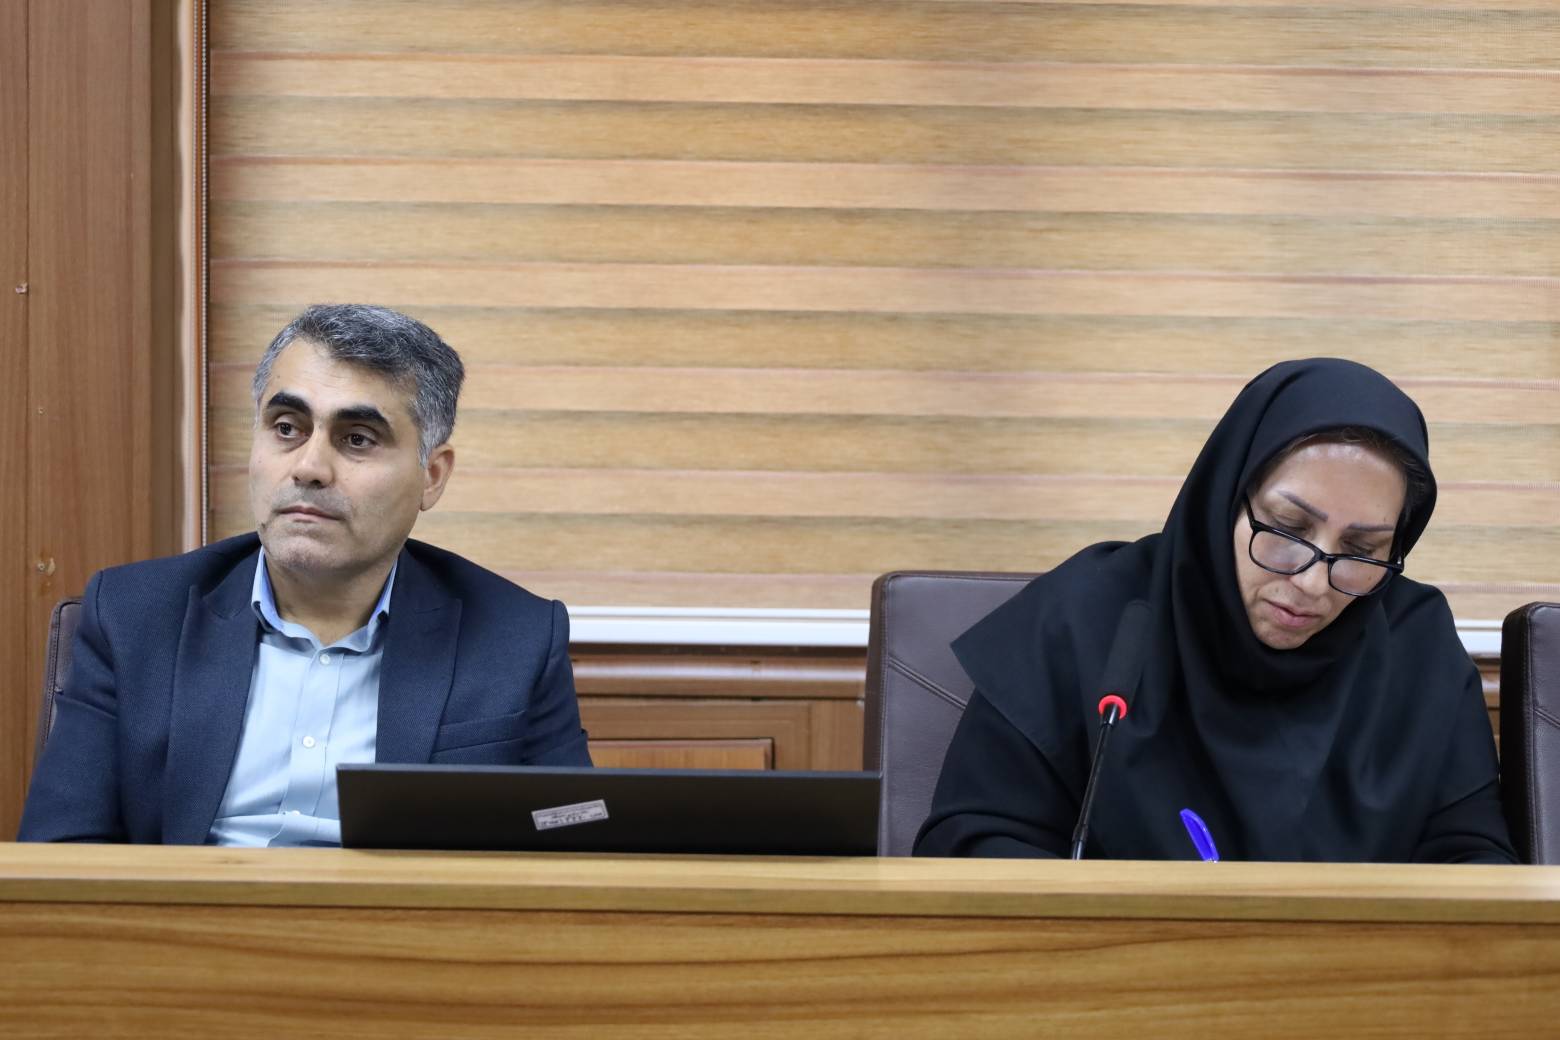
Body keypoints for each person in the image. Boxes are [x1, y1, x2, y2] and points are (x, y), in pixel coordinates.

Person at [19, 304, 591, 845]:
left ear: (432, 476)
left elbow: (575, 823)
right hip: (192, 914)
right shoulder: (135, 616)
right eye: (287, 428)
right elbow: (62, 850)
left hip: (397, 915)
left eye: (357, 439)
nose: (310, 468)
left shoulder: (515, 637)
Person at [914, 358, 1516, 863]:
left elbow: (1476, 867)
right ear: (1225, 497)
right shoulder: (1089, 618)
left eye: (1361, 550)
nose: (1312, 582)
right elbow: (974, 844)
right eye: (1287, 528)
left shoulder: (1417, 648)